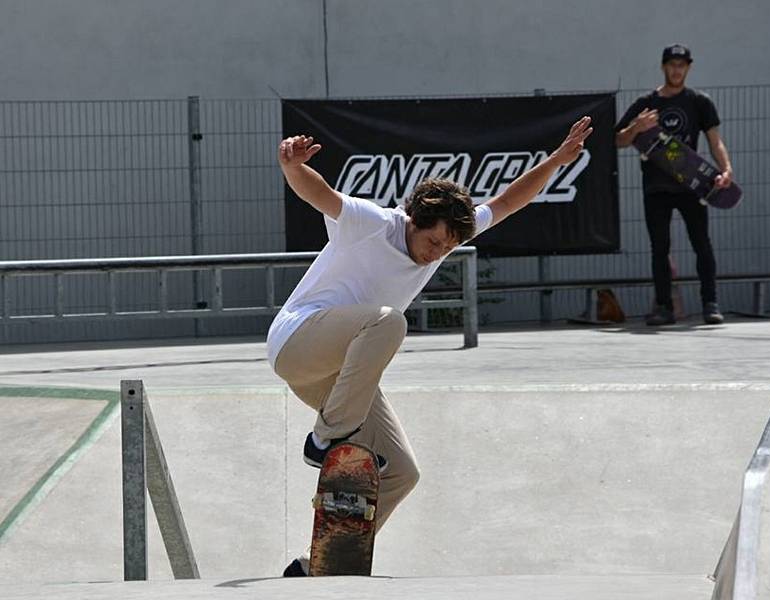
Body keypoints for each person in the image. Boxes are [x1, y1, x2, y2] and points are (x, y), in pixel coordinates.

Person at [268, 117, 593, 576]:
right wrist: (293, 167)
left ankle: (318, 561)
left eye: (448, 247)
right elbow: (320, 195)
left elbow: (507, 201)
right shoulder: (371, 223)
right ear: (414, 220)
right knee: (388, 323)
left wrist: (558, 160)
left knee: (401, 471)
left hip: (338, 376)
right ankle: (323, 440)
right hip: (297, 341)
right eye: (432, 241)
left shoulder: (451, 232)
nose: (437, 252)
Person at [615, 44, 733, 326]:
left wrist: (726, 170)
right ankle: (664, 307)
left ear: (688, 68)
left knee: (702, 244)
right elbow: (617, 140)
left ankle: (710, 304)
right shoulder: (647, 102)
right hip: (656, 185)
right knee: (659, 247)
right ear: (663, 67)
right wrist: (636, 128)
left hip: (692, 183)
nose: (676, 70)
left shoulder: (699, 102)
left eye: (682, 65)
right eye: (672, 64)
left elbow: (714, 141)